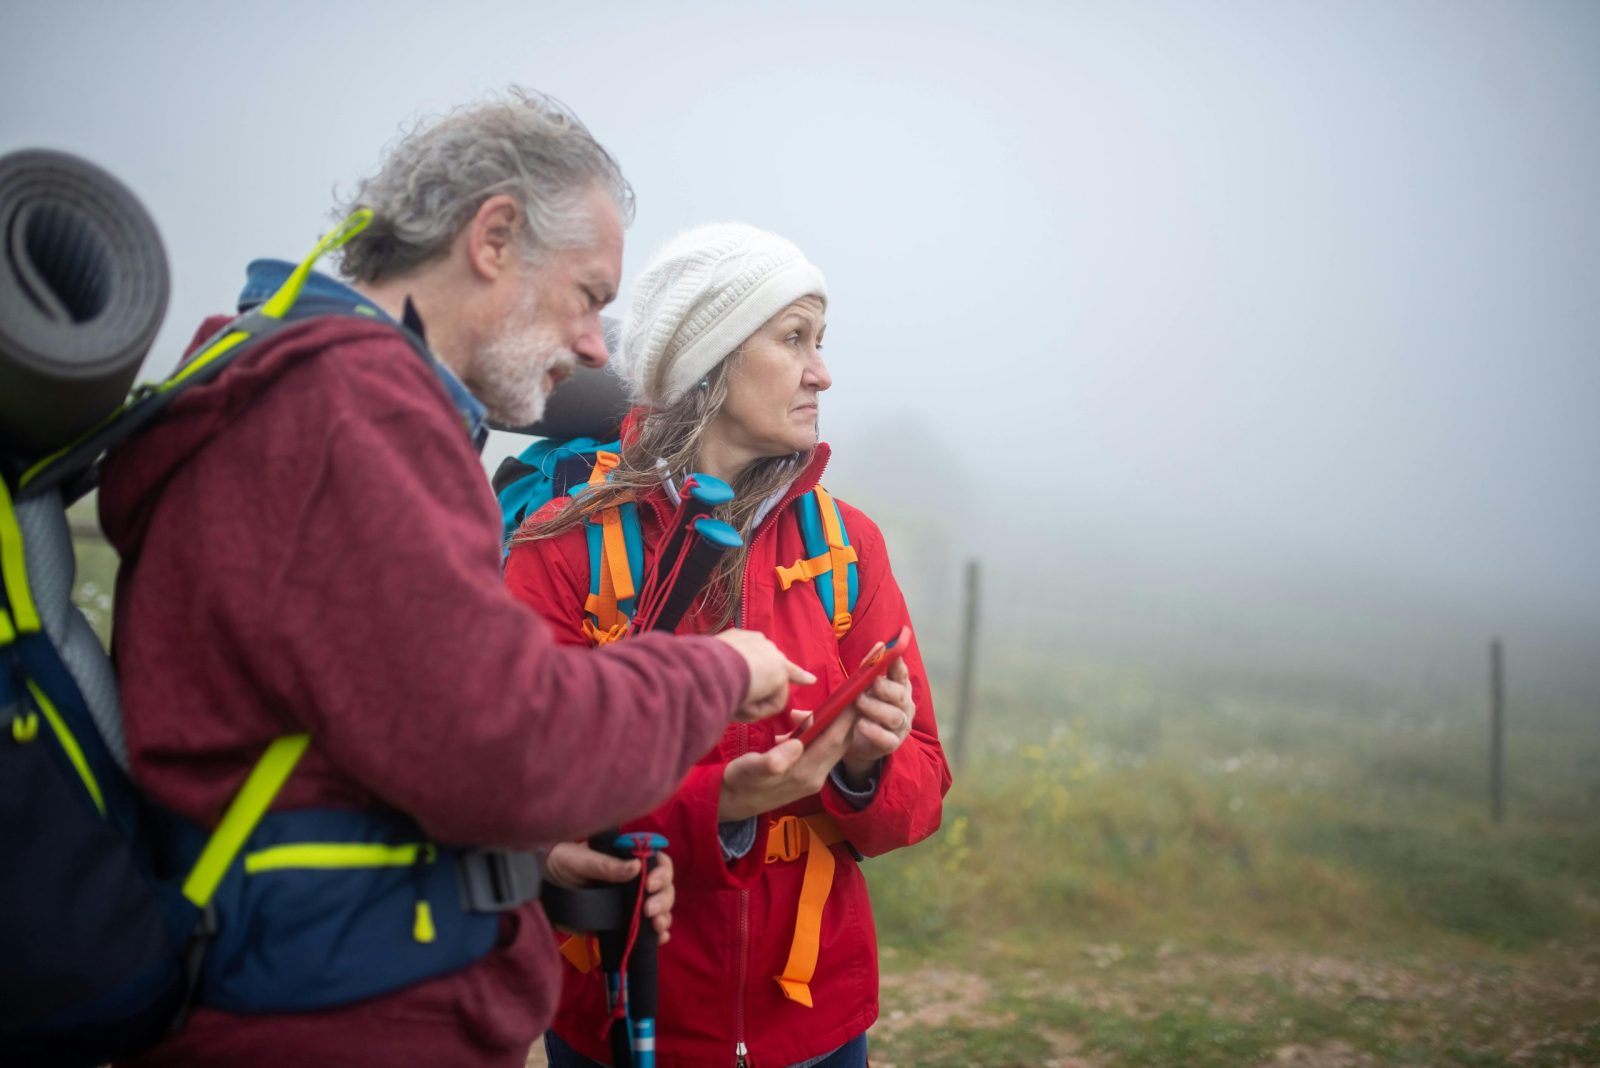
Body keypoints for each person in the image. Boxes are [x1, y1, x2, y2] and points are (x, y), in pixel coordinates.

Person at [98, 92, 811, 1067]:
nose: (600, 348)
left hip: (308, 980)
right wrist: (717, 674)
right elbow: (504, 740)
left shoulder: (298, 397)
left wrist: (525, 858)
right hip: (339, 1020)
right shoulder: (354, 416)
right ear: (495, 237)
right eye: (590, 295)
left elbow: (390, 741)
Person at [505, 223, 952, 1067]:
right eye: (794, 340)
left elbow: (924, 784)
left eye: (821, 342)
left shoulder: (846, 546)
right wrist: (724, 807)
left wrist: (863, 770)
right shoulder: (561, 547)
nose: (823, 372)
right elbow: (526, 798)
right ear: (706, 361)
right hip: (622, 1020)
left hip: (814, 1025)